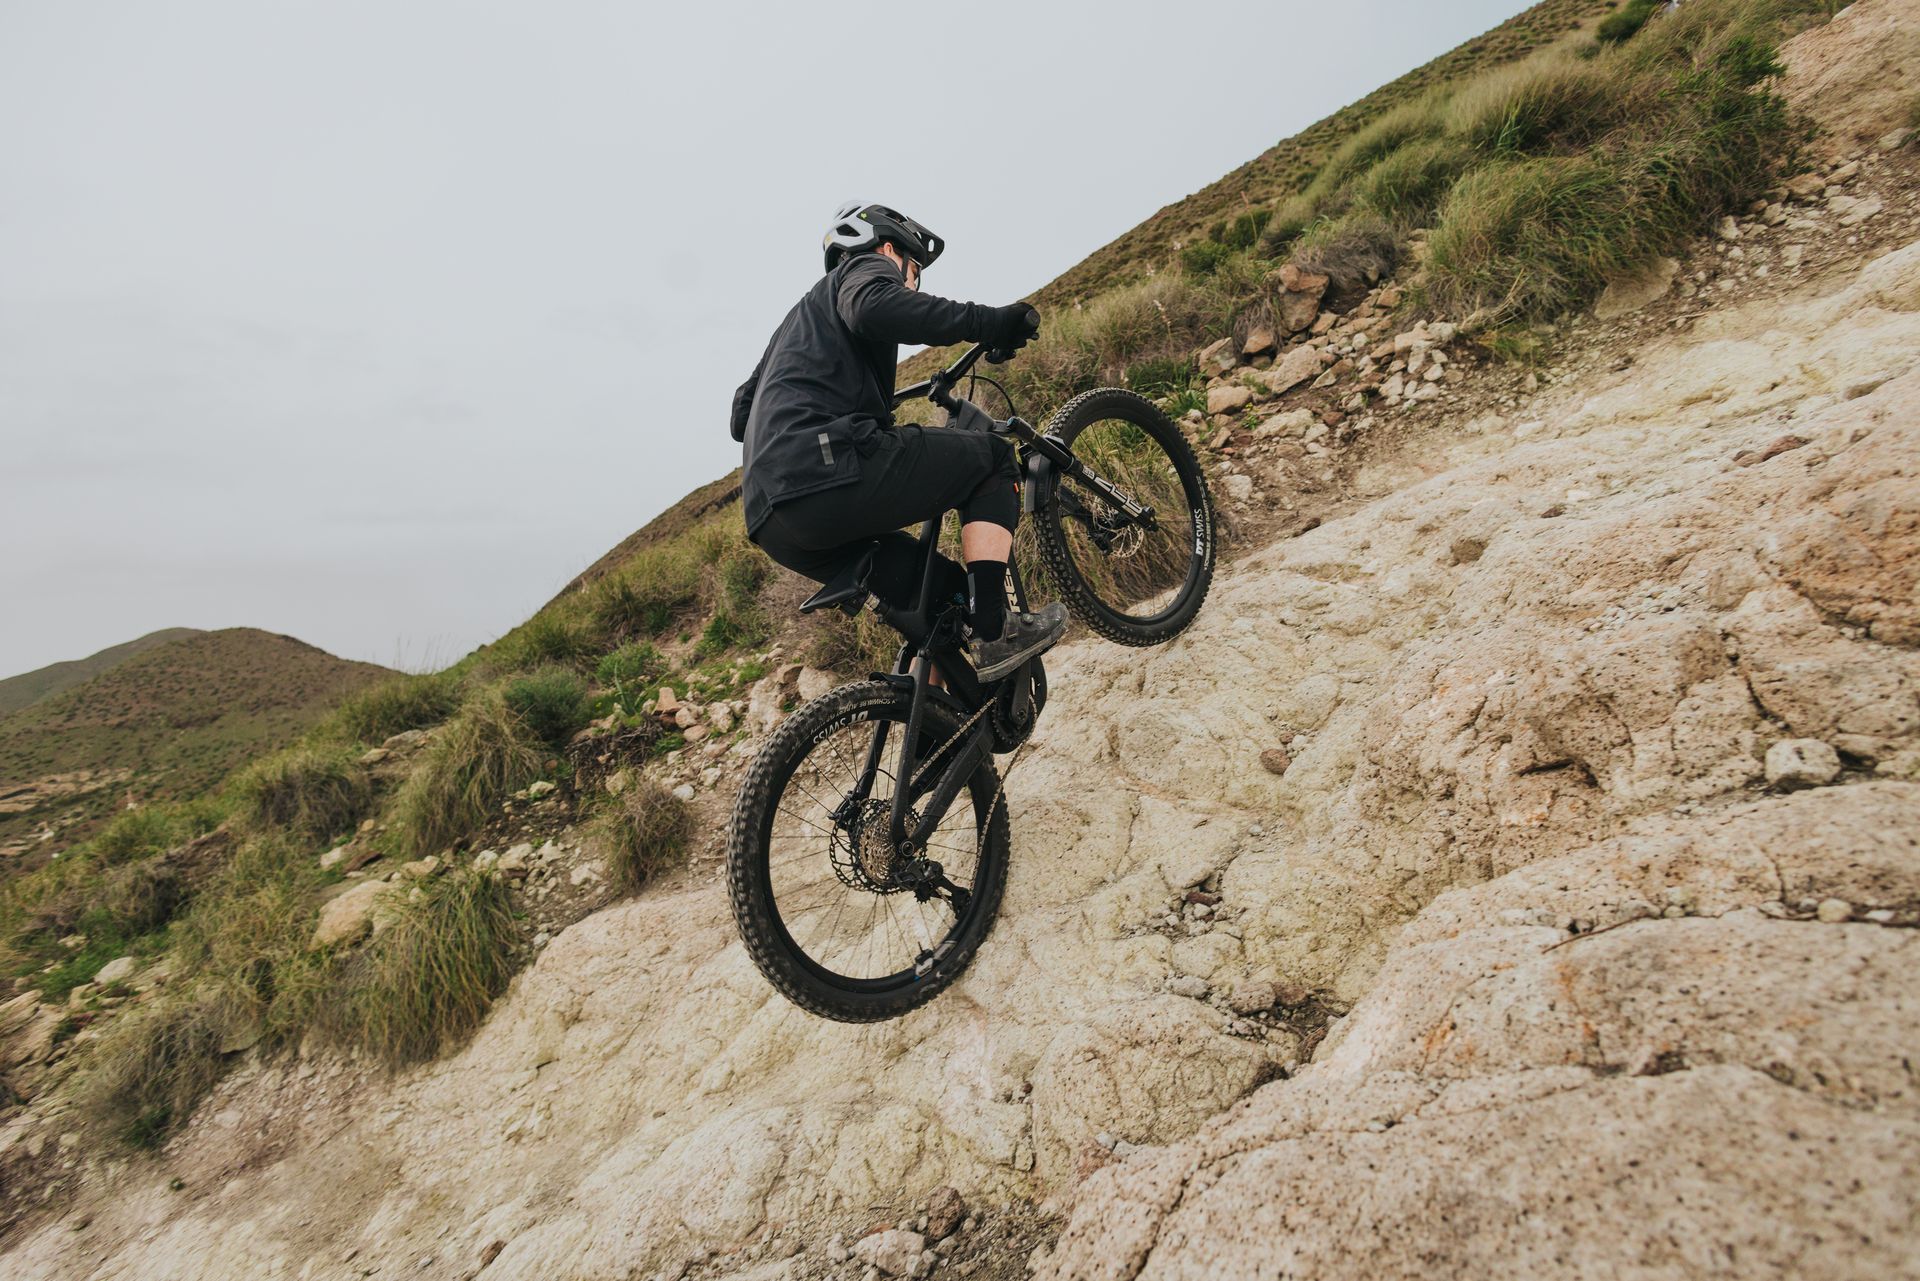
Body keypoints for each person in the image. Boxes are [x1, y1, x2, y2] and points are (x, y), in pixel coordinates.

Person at [730, 202, 1068, 681]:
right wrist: (990, 322)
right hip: (825, 467)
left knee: (943, 601)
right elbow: (874, 308)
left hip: (774, 521)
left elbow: (740, 416)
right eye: (914, 274)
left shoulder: (794, 327)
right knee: (993, 459)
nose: (912, 286)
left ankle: (927, 722)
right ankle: (995, 632)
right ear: (890, 249)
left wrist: (860, 396)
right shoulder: (864, 268)